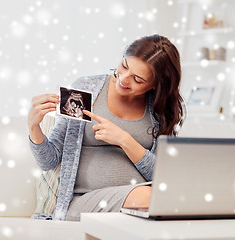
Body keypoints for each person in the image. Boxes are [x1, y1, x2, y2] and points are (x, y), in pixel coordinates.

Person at [28, 34, 185, 221]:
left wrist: (124, 140)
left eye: (138, 79)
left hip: (139, 207)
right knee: (154, 198)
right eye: (124, 66)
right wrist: (33, 126)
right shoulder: (87, 89)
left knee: (162, 198)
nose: (124, 79)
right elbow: (49, 161)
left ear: (155, 85)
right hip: (85, 203)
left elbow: (159, 175)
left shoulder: (159, 110)